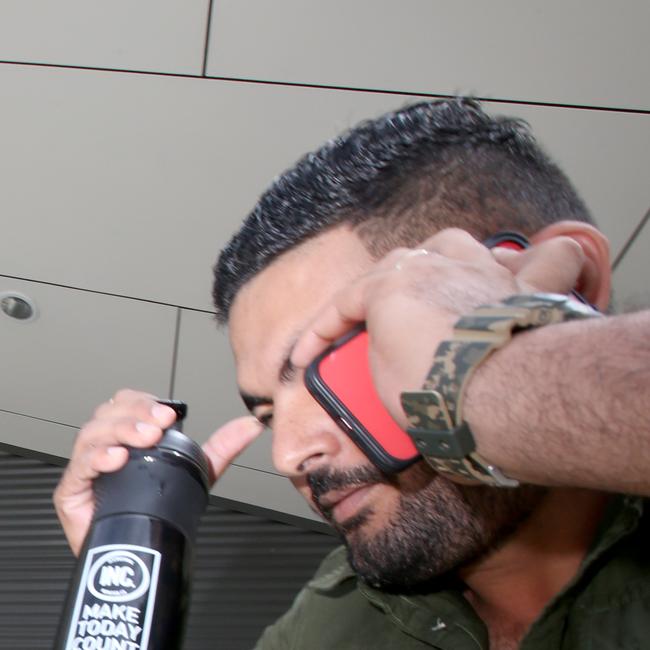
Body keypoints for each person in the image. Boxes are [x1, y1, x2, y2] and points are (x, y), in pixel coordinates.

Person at [54, 98, 650, 649]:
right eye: (268, 414)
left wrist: (496, 382)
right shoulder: (325, 626)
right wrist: (125, 596)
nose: (289, 455)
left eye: (335, 368)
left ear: (570, 284)